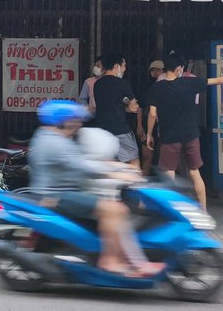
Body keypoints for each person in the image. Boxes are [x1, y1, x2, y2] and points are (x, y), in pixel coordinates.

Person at [30, 100, 164, 278]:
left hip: (65, 193)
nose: (78, 125)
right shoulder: (55, 143)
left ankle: (130, 260)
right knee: (114, 209)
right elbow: (84, 167)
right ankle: (110, 261)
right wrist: (116, 174)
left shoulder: (51, 137)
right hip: (58, 197)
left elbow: (84, 161)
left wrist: (119, 167)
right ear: (63, 121)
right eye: (75, 120)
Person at [146, 52, 223, 210]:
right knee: (195, 172)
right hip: (191, 135)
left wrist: (149, 134)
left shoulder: (157, 87)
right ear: (179, 68)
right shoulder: (190, 83)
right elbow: (219, 80)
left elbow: (152, 114)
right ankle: (203, 211)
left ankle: (169, 211)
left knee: (169, 173)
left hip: (169, 136)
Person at [92, 53, 142, 167]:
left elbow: (107, 104)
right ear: (117, 66)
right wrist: (126, 107)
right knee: (133, 164)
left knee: (110, 166)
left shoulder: (97, 84)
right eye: (124, 65)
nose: (125, 69)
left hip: (103, 131)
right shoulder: (122, 83)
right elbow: (133, 106)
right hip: (121, 130)